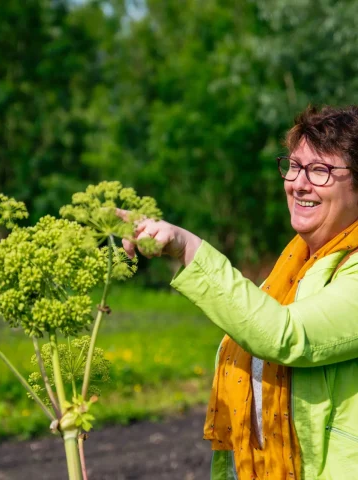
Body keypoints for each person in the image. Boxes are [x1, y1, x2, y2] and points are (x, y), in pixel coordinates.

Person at [120, 105, 358, 480]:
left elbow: (284, 335)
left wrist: (188, 250)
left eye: (320, 170)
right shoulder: (291, 267)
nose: (298, 183)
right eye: (294, 166)